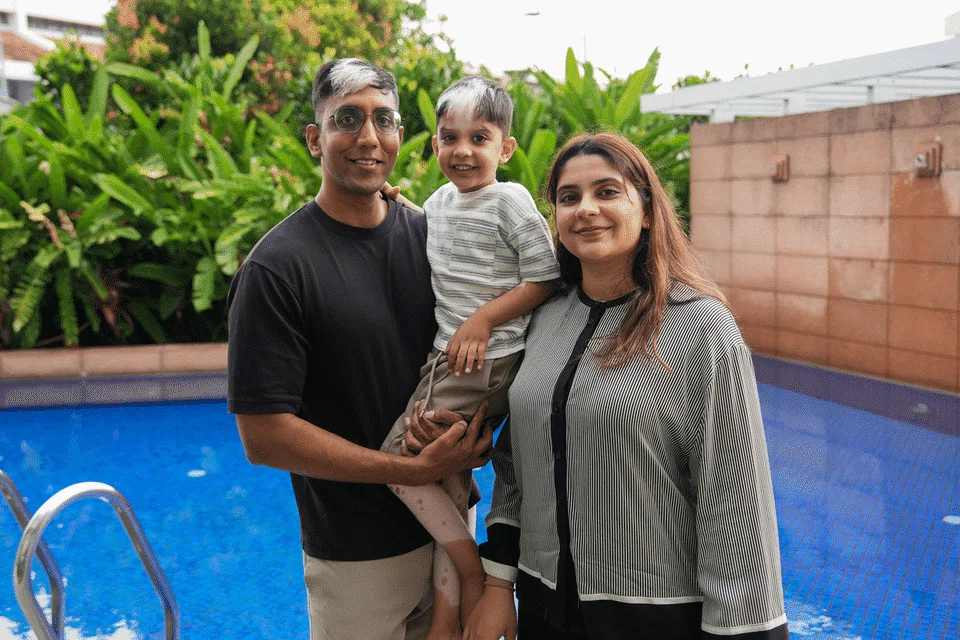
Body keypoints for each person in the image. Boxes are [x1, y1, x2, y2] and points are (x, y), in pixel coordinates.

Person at [409, 132, 791, 639]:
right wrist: (499, 584)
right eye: (569, 198)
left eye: (607, 192)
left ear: (648, 210)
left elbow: (735, 501)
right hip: (546, 610)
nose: (586, 209)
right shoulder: (542, 322)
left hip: (654, 618)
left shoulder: (702, 328)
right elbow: (516, 466)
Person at [227, 58, 492, 640]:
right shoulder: (278, 268)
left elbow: (496, 332)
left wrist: (471, 434)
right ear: (315, 139)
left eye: (385, 120)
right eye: (348, 119)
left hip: (453, 525)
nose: (369, 137)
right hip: (356, 558)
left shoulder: (431, 237)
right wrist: (406, 468)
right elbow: (264, 435)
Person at [378, 76, 560, 640]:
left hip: (482, 360)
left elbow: (546, 277)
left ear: (504, 148)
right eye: (449, 136)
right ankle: (449, 615)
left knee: (399, 463)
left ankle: (470, 572)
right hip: (454, 359)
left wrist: (482, 320)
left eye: (478, 137)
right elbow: (433, 236)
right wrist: (397, 201)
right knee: (450, 476)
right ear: (434, 144)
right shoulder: (438, 201)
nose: (462, 150)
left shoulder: (510, 200)